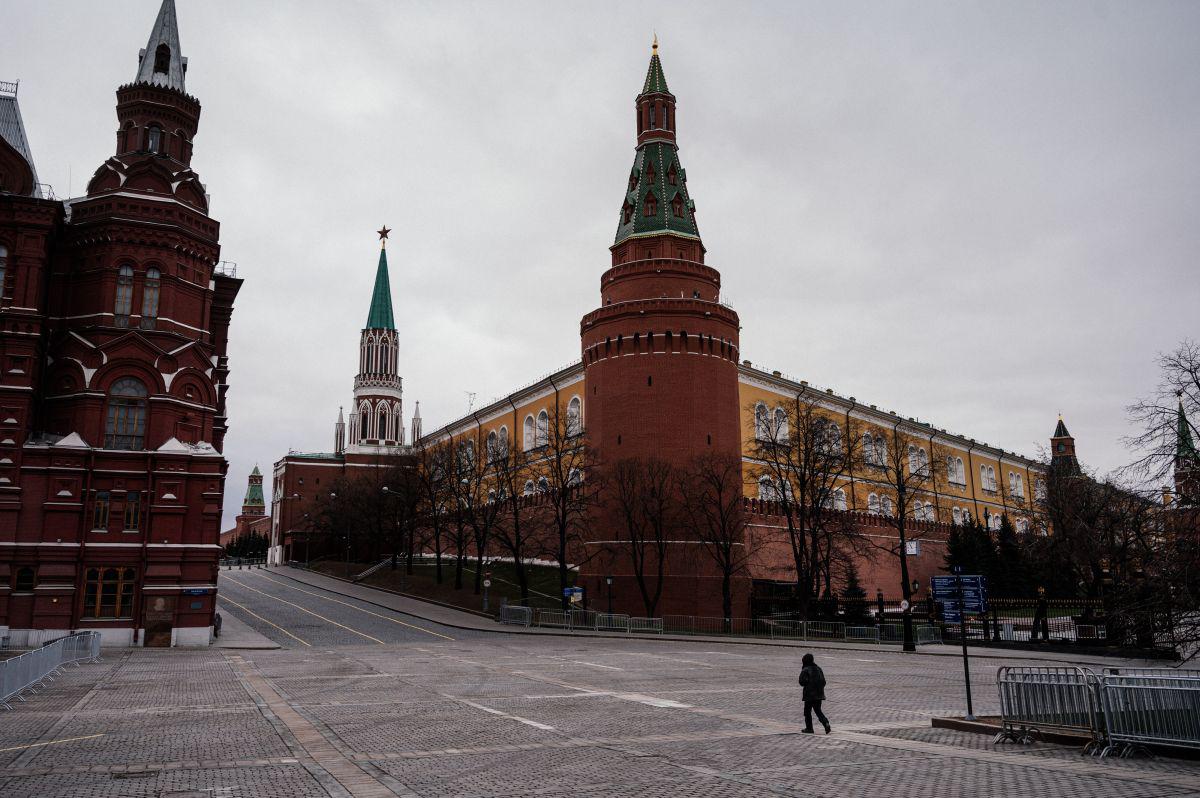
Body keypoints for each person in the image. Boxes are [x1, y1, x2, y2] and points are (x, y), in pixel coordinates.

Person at [798, 652, 831, 734]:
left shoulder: (805, 670)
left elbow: (802, 682)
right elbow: (823, 681)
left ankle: (809, 728)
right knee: (818, 710)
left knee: (807, 711)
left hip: (809, 694)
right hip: (819, 694)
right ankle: (825, 723)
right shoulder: (818, 668)